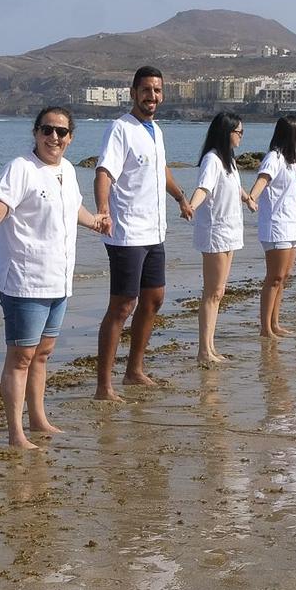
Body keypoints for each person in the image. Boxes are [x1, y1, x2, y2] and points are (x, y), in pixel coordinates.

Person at [0, 106, 109, 441]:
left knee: (42, 355)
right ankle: (16, 432)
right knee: (21, 358)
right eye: (47, 130)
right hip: (24, 281)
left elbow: (71, 206)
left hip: (58, 280)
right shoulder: (20, 169)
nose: (54, 137)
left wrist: (94, 221)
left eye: (61, 132)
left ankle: (38, 419)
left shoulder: (68, 171)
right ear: (35, 133)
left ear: (70, 138)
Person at [93, 66, 186, 400]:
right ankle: (104, 385)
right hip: (127, 232)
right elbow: (103, 172)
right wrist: (103, 210)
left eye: (158, 91)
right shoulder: (120, 129)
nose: (152, 96)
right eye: (146, 90)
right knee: (122, 305)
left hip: (154, 230)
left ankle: (134, 370)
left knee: (155, 298)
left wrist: (180, 197)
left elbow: (160, 170)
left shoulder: (156, 131)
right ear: (133, 93)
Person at [178, 112, 251, 362]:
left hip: (230, 231)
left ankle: (210, 347)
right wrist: (191, 206)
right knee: (212, 291)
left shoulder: (227, 159)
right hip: (215, 232)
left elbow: (233, 186)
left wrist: (248, 198)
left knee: (219, 292)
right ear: (226, 132)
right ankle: (203, 351)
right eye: (238, 132)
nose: (241, 136)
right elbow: (205, 188)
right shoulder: (211, 160)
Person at [250, 115, 296, 339]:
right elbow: (263, 180)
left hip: (292, 226)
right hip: (276, 226)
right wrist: (252, 198)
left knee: (283, 278)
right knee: (274, 277)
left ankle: (275, 323)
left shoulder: (292, 163)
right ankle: (265, 327)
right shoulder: (274, 157)